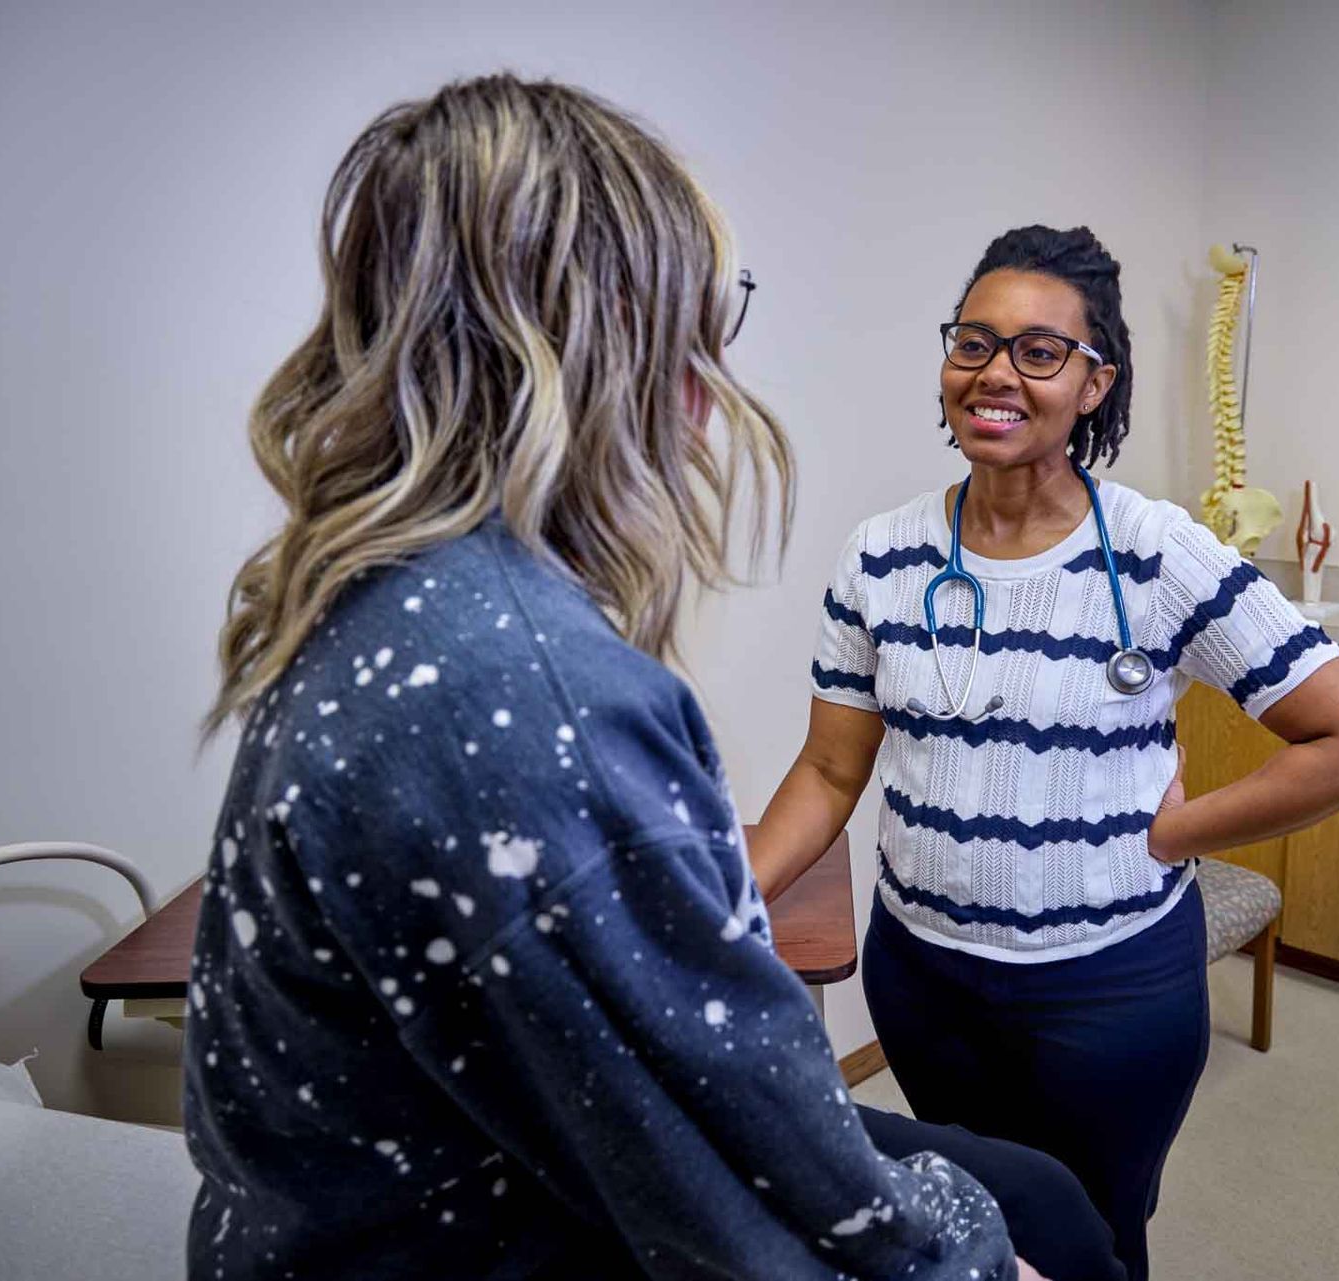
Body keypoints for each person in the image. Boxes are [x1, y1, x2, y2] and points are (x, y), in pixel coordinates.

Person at [182, 76, 1126, 1280]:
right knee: (1040, 1225)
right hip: (472, 1229)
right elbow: (747, 1168)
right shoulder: (529, 685)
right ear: (609, 340)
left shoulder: (372, 592)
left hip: (352, 1198)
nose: (710, 387)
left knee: (1039, 1185)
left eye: (1039, 354)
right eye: (702, 319)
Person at [753, 225, 1339, 1279]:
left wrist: (1179, 831)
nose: (996, 374)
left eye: (1039, 351)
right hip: (924, 976)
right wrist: (732, 899)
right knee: (965, 1222)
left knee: (1093, 1240)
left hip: (1108, 990)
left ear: (1095, 382)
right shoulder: (880, 557)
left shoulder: (1156, 553)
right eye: (973, 342)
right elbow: (831, 770)